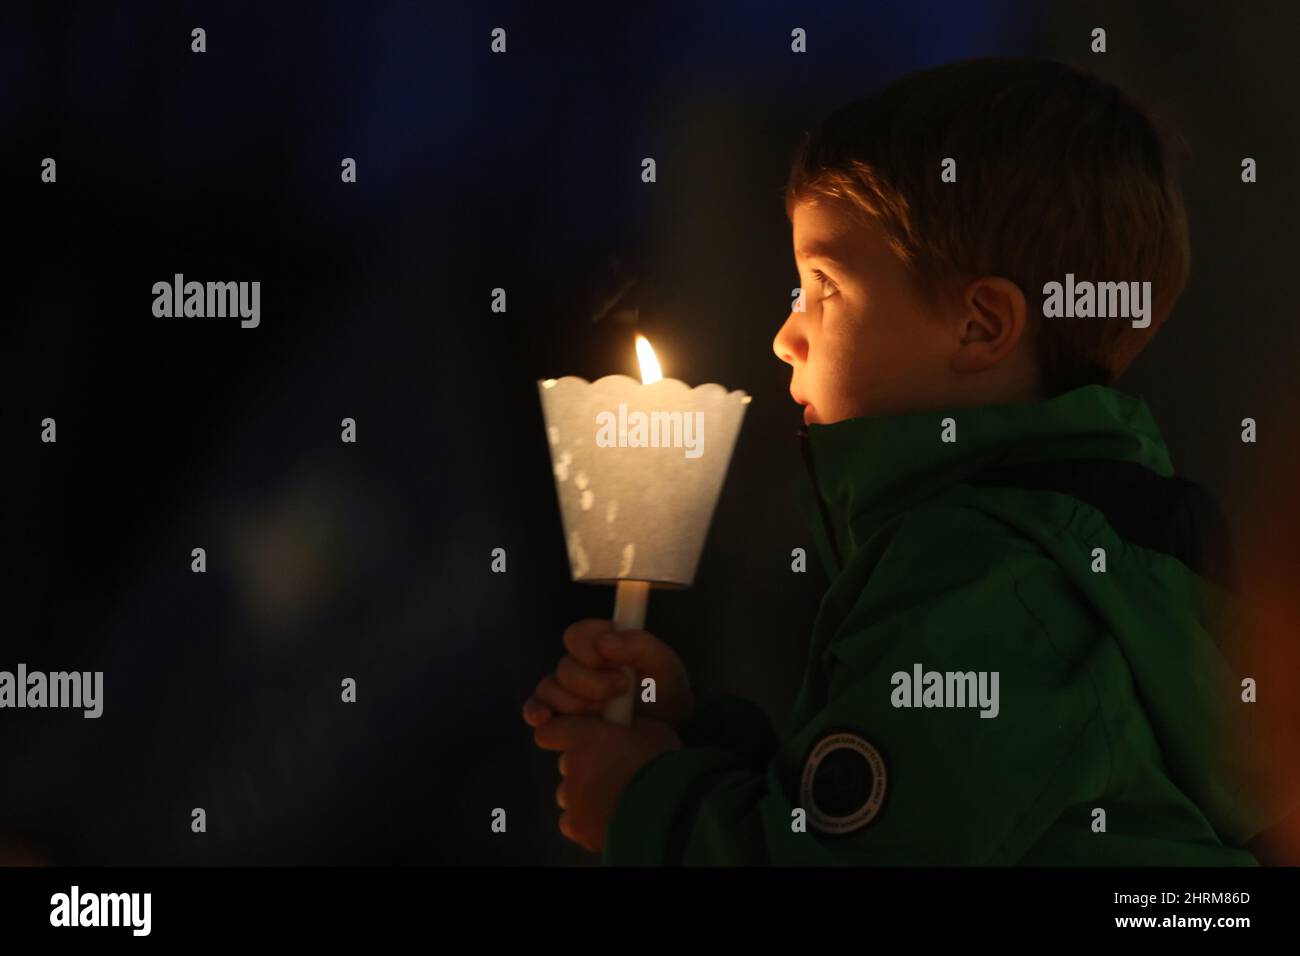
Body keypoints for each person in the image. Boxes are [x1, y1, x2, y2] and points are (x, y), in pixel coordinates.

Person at [522, 57, 1282, 864]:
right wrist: (685, 740)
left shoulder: (994, 584)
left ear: (980, 326)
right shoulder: (1057, 547)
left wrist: (650, 809)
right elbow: (886, 808)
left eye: (824, 286)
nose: (787, 335)